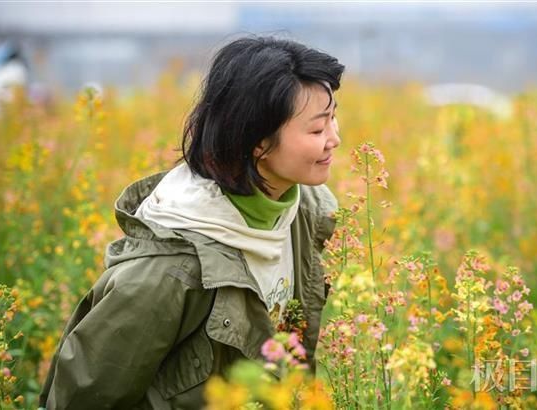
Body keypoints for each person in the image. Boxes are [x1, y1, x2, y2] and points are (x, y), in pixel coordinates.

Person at [39, 36, 344, 409]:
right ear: (258, 143)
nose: (335, 139)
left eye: (333, 119)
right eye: (317, 130)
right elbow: (82, 398)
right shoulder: (167, 268)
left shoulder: (309, 210)